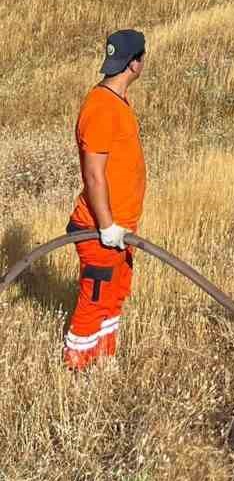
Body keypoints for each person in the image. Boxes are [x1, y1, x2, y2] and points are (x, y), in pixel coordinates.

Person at [63, 30, 147, 371]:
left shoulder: (118, 101)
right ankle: (76, 367)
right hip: (99, 229)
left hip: (121, 227)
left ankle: (103, 359)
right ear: (135, 63)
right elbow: (94, 175)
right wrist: (107, 225)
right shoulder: (100, 108)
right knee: (95, 299)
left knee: (114, 295)